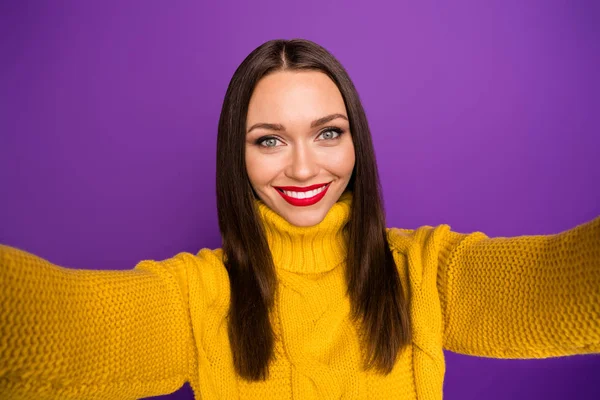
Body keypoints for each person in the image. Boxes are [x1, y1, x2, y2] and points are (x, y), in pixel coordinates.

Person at [0, 38, 598, 400]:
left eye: (327, 133)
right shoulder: (197, 298)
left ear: (355, 141)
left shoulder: (426, 271)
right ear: (236, 154)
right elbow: (48, 327)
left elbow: (569, 285)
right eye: (269, 141)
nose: (304, 167)